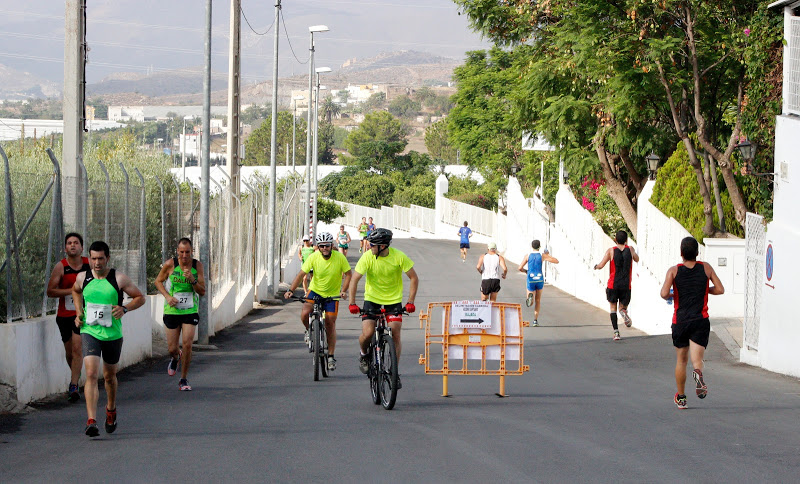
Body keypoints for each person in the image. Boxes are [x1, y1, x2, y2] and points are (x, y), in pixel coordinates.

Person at [72, 241, 145, 437]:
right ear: (89, 258)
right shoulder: (83, 277)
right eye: (93, 258)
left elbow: (140, 297)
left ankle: (111, 409)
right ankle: (91, 420)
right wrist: (79, 313)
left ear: (108, 258)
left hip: (113, 334)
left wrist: (125, 308)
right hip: (89, 331)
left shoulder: (118, 278)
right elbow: (75, 291)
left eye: (100, 259)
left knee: (109, 377)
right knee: (91, 374)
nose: (96, 263)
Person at [348, 228, 418, 389]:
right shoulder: (367, 257)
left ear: (383, 246)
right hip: (372, 300)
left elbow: (414, 278)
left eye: (372, 244)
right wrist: (352, 303)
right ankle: (364, 354)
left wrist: (410, 301)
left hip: (393, 301)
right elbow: (355, 279)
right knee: (367, 333)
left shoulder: (399, 256)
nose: (369, 246)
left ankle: (394, 371)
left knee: (395, 331)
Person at [660, 236, 724, 410]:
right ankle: (698, 374)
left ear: (681, 253)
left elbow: (664, 293)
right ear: (697, 252)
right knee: (697, 361)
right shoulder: (706, 268)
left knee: (681, 361)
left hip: (680, 321)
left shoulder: (674, 271)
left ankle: (681, 398)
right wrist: (705, 289)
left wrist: (675, 294)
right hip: (700, 321)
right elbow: (720, 289)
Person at [284, 232, 351, 371]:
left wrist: (343, 290)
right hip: (315, 291)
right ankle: (309, 331)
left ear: (331, 245)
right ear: (318, 247)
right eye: (321, 246)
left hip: (332, 294)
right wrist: (291, 290)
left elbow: (349, 274)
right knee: (305, 313)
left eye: (327, 245)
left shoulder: (339, 257)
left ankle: (331, 356)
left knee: (330, 323)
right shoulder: (313, 257)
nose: (324, 248)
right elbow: (301, 274)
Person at [154, 237, 206, 391]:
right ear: (177, 252)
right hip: (172, 310)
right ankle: (175, 357)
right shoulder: (170, 264)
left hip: (190, 310)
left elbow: (202, 291)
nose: (184, 255)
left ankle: (183, 379)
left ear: (191, 252)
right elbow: (158, 281)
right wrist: (168, 297)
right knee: (171, 348)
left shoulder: (197, 266)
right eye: (182, 252)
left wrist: (192, 280)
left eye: (187, 252)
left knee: (188, 344)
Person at [46, 232, 89, 403]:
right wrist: (72, 291)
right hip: (64, 315)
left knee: (78, 350)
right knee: (70, 353)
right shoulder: (61, 267)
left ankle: (72, 385)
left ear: (81, 247)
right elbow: (50, 291)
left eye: (76, 242)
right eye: (69, 243)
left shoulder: (89, 264)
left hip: (82, 315)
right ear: (65, 248)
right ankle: (76, 379)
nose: (73, 245)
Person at [593, 230, 640, 340]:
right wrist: (631, 252)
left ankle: (616, 333)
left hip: (613, 284)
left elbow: (601, 265)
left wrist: (595, 266)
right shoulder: (631, 249)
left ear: (615, 239)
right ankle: (623, 311)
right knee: (622, 306)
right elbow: (637, 259)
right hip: (626, 284)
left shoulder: (611, 251)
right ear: (626, 240)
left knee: (612, 308)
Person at [517, 240, 559, 327]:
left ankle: (530, 299)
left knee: (530, 302)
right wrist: (547, 254)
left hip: (530, 279)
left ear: (531, 246)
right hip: (540, 279)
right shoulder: (542, 255)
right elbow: (556, 261)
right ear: (539, 247)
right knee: (538, 300)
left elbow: (520, 268)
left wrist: (526, 271)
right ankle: (535, 320)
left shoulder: (527, 255)